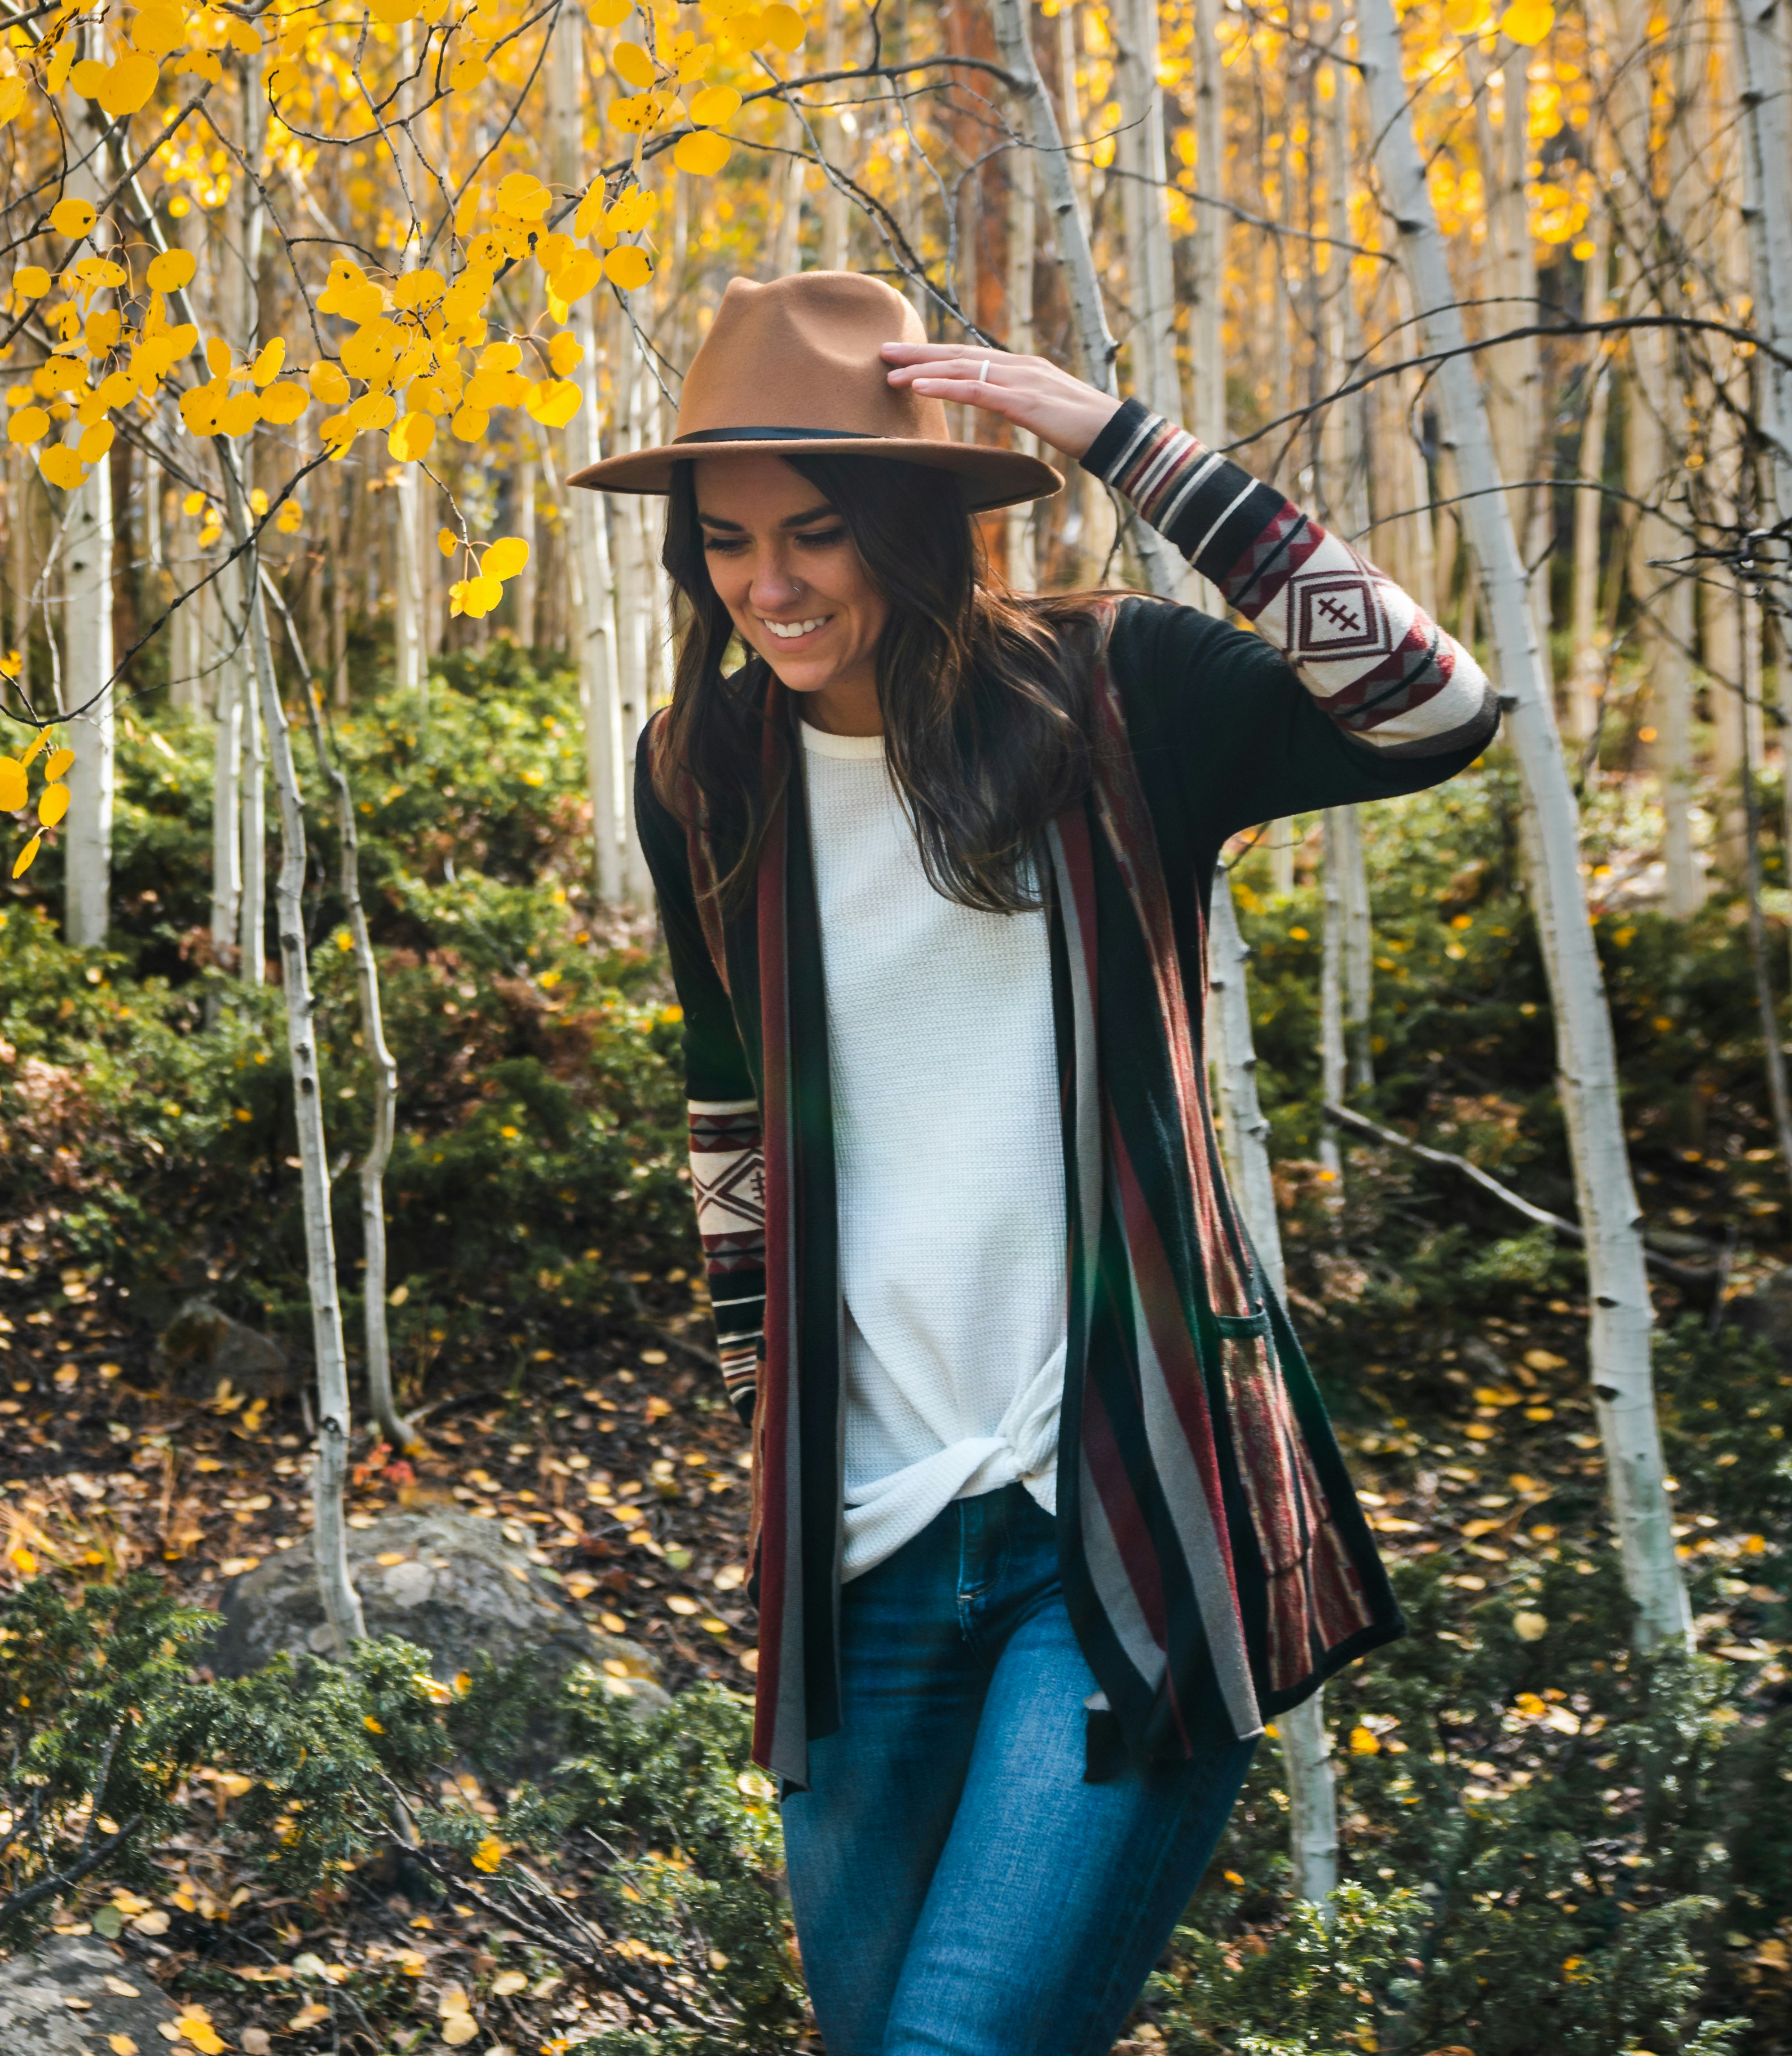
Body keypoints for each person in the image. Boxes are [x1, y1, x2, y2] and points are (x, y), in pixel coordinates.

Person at [568, 268, 1498, 2056]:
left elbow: (1433, 708)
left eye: (816, 532)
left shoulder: (1113, 694)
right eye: (725, 542)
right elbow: (727, 1116)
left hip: (1123, 1518)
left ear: (913, 525)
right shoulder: (700, 768)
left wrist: (1124, 446)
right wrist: (771, 1428)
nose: (765, 586)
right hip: (865, 1560)